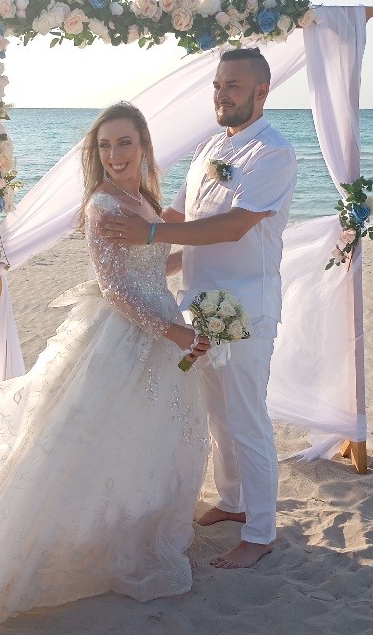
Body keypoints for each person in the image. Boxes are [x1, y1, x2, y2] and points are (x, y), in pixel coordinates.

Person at [0, 102, 210, 622]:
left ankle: (127, 528)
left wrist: (198, 255)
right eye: (105, 145)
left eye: (124, 143)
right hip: (124, 333)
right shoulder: (103, 204)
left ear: (143, 146)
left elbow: (145, 264)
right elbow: (115, 287)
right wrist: (174, 331)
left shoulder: (141, 198)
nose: (115, 154)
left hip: (156, 322)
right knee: (86, 439)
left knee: (142, 439)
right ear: (95, 154)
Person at [100, 48, 297, 569]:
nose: (221, 94)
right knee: (218, 414)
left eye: (233, 85)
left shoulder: (273, 152)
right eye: (217, 85)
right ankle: (232, 502)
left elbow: (232, 226)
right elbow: (178, 213)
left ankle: (260, 532)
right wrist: (135, 258)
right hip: (201, 307)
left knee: (248, 419)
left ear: (261, 92)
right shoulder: (211, 145)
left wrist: (152, 233)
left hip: (247, 309)